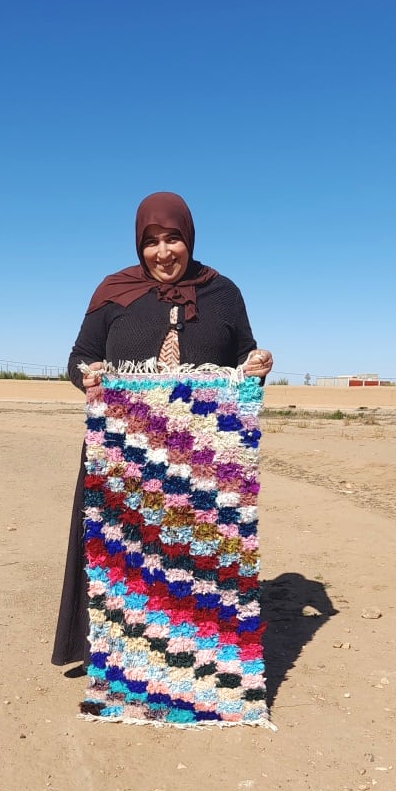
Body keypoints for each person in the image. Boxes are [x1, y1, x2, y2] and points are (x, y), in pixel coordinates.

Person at [51, 191, 273, 668]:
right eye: (152, 241)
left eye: (173, 239)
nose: (163, 252)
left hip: (199, 458)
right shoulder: (114, 291)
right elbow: (78, 357)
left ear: (188, 239)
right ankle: (114, 650)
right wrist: (85, 374)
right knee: (119, 549)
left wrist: (255, 365)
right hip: (125, 450)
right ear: (138, 245)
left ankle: (191, 654)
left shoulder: (224, 293)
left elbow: (243, 357)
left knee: (190, 551)